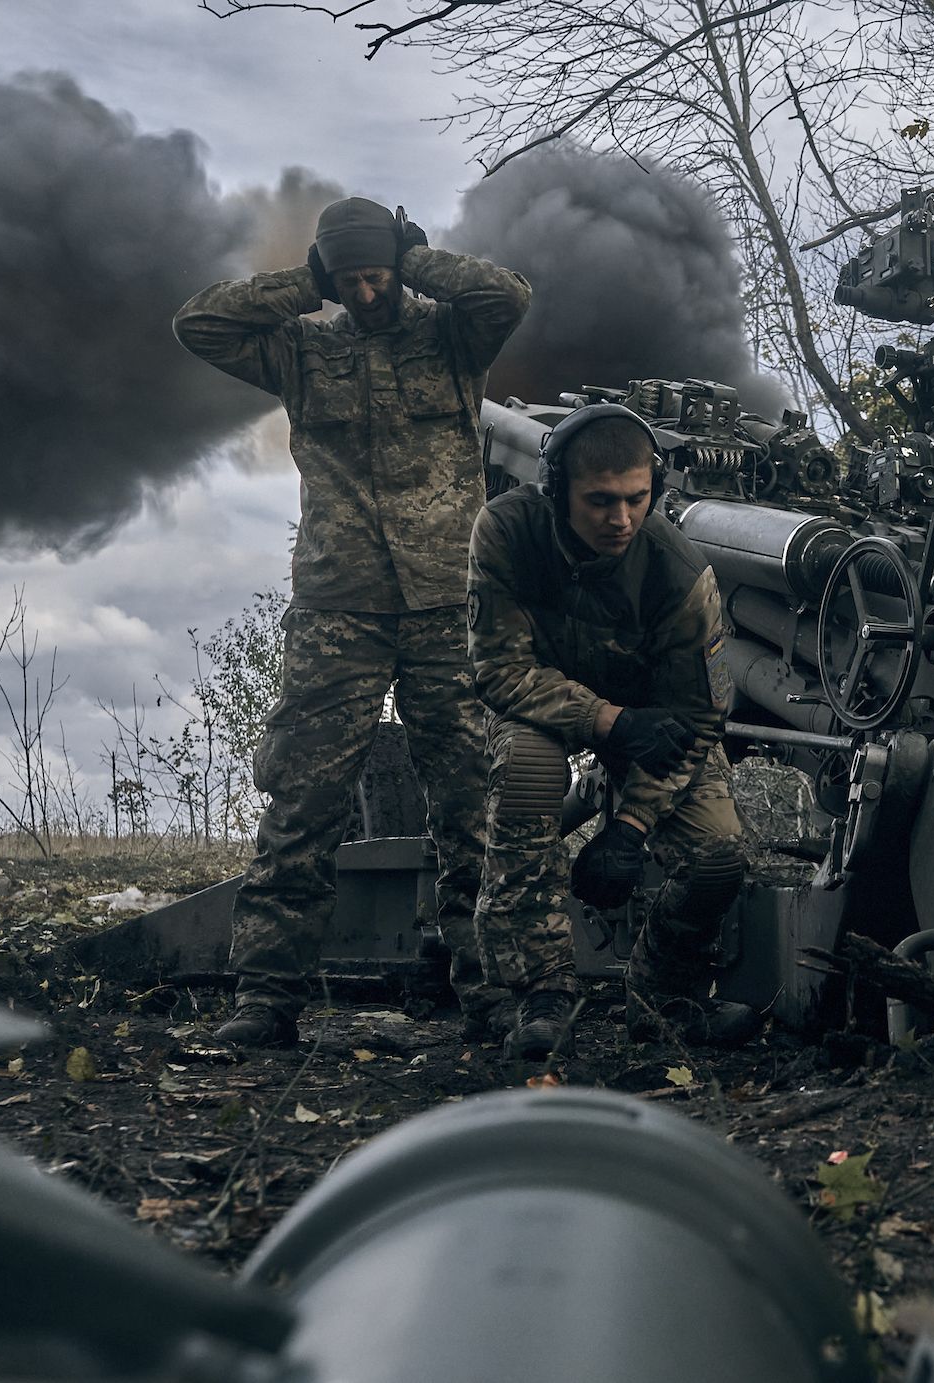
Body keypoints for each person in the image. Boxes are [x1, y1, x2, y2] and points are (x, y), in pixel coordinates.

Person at [174, 197, 530, 1048]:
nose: (368, 294)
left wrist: (416, 261)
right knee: (303, 797)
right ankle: (266, 997)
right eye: (354, 280)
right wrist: (305, 283)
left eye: (378, 277)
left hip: (451, 599)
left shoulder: (452, 338)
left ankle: (495, 996)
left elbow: (506, 297)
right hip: (342, 605)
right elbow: (199, 324)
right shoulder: (301, 347)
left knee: (474, 800)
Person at [467, 403, 763, 1059]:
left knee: (718, 851)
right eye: (600, 501)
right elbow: (498, 668)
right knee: (528, 773)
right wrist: (608, 721)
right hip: (543, 705)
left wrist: (629, 828)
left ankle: (665, 998)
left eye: (636, 499)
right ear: (556, 489)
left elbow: (698, 716)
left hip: (656, 722)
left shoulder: (679, 573)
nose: (621, 519)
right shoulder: (507, 532)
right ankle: (538, 991)